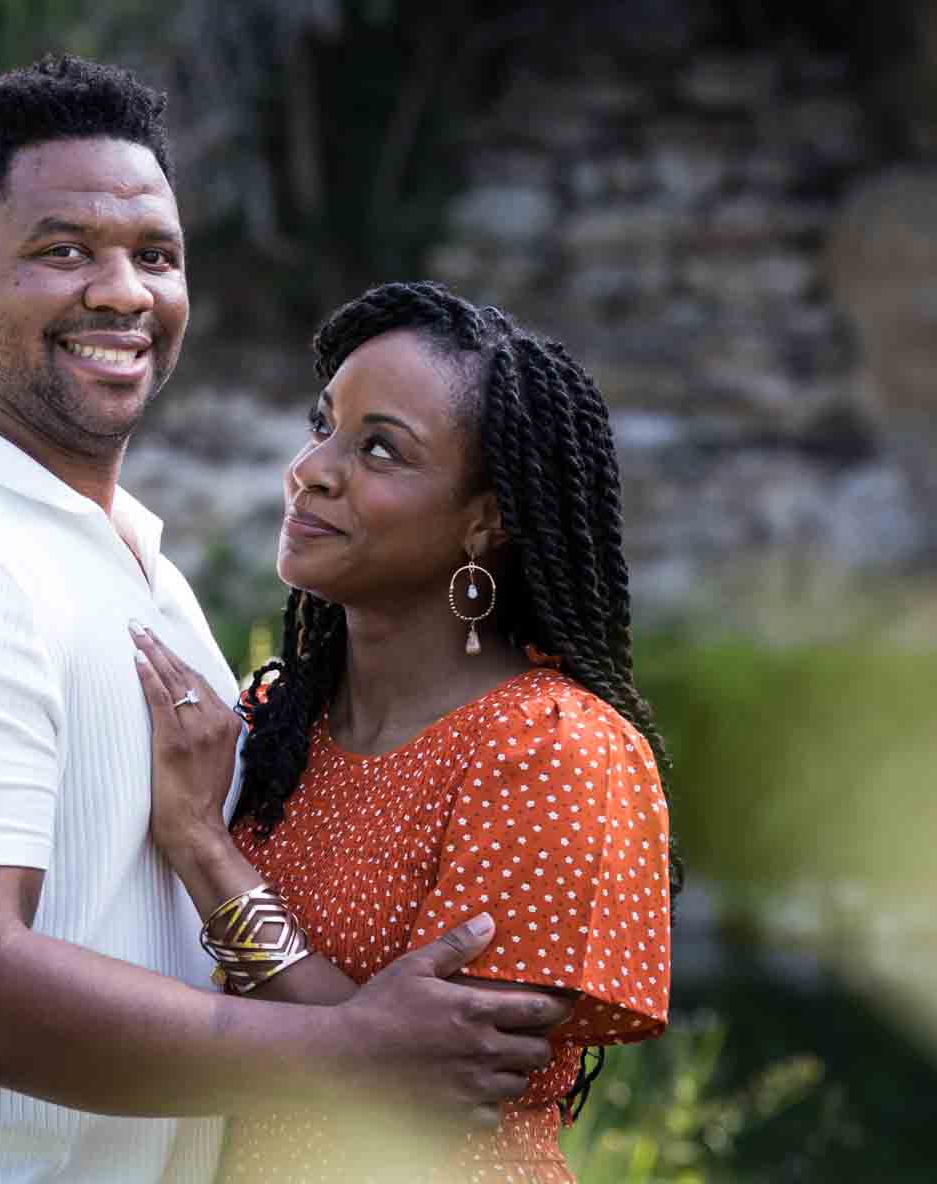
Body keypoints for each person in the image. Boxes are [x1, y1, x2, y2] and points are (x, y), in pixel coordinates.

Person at [0, 57, 574, 1183]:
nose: (123, 291)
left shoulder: (132, 567)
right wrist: (343, 1050)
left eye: (155, 255)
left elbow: (119, 914)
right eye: (63, 249)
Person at [124, 281, 676, 1181]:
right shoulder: (275, 723)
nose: (312, 468)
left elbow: (423, 1084)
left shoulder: (553, 750)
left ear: (487, 518)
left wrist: (202, 848)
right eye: (323, 425)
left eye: (380, 449)